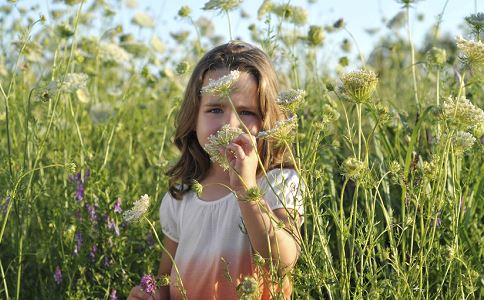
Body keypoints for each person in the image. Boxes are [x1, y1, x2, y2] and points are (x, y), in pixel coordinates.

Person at [128, 41, 303, 300]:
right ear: (193, 118)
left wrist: (246, 189)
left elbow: (283, 261)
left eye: (246, 112)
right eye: (215, 109)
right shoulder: (182, 194)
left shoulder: (277, 182)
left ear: (268, 118)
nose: (229, 124)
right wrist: (151, 295)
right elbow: (166, 277)